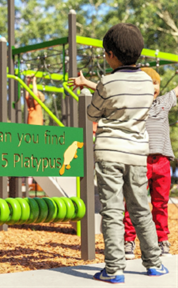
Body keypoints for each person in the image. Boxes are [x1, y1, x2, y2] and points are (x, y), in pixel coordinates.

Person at [68, 23, 168, 283]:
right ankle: (154, 263)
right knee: (140, 209)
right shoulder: (148, 83)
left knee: (112, 211)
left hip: (109, 152)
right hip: (137, 154)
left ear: (110, 54)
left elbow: (92, 113)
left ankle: (114, 269)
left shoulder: (106, 82)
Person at [123, 67, 177, 259]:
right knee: (134, 201)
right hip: (140, 160)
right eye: (148, 82)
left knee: (160, 204)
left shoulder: (165, 101)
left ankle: (162, 241)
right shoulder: (133, 104)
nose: (153, 86)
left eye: (155, 83)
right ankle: (128, 241)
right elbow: (110, 92)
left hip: (162, 162)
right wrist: (87, 84)